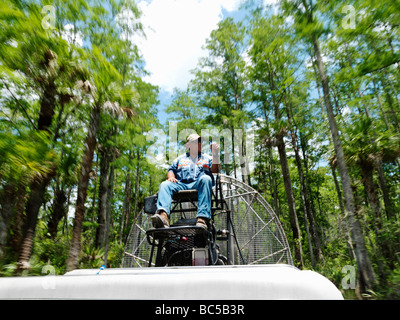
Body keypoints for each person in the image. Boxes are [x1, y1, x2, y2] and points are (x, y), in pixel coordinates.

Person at [151, 133, 220, 229]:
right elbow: (171, 170)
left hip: (198, 184)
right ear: (188, 145)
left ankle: (202, 218)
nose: (199, 143)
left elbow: (215, 170)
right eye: (196, 141)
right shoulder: (180, 158)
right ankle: (163, 216)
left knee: (206, 178)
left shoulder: (207, 157)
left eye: (200, 141)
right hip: (181, 185)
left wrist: (215, 154)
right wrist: (171, 176)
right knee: (165, 184)